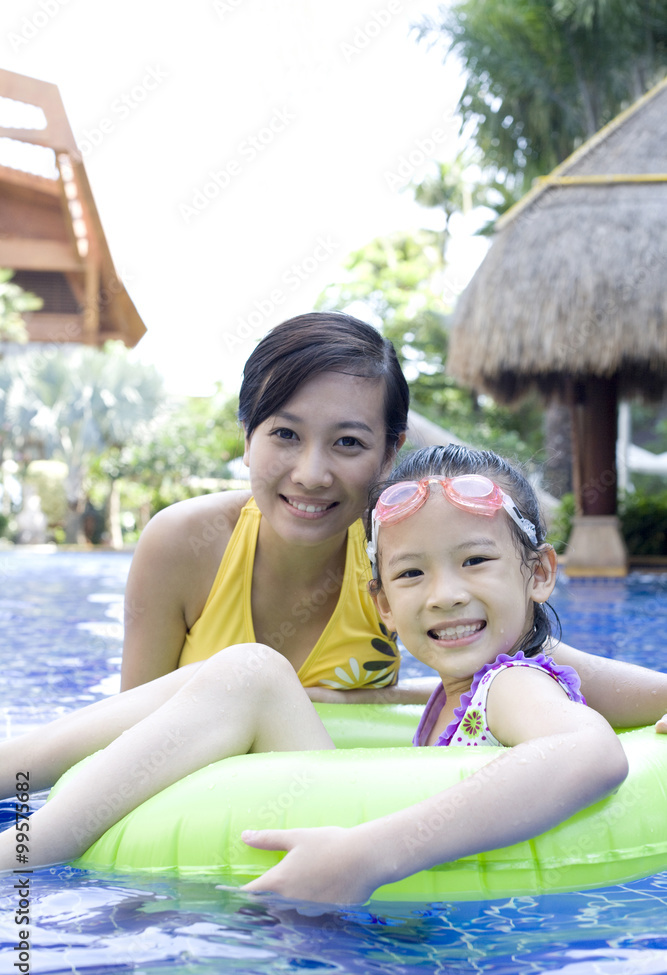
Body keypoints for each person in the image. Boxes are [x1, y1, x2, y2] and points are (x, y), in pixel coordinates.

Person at [2, 444, 667, 904]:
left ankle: (30, 844)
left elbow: (589, 752)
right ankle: (23, 771)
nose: (443, 594)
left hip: (390, 913)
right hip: (394, 924)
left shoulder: (515, 686)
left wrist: (372, 853)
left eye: (473, 561)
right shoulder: (467, 686)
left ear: (539, 573)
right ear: (382, 604)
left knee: (251, 670)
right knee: (248, 674)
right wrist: (380, 694)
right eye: (411, 573)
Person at [118, 310, 665, 709]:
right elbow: (123, 724)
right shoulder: (183, 544)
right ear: (246, 438)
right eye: (284, 433)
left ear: (390, 452)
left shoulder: (403, 546)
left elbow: (527, 660)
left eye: (349, 443)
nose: (311, 473)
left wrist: (368, 702)